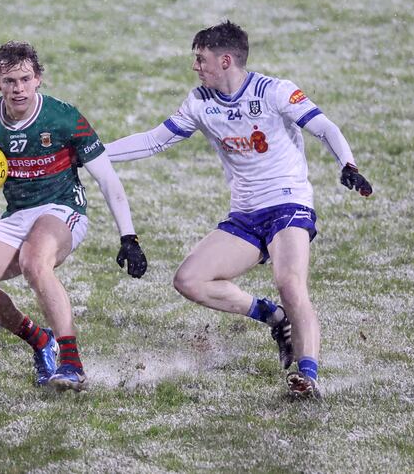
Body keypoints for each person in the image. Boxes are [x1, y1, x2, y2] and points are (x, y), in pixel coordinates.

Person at [104, 21, 372, 399]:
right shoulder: (200, 102)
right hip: (245, 214)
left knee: (290, 282)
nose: (196, 66)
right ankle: (273, 317)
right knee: (189, 281)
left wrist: (348, 164)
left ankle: (307, 376)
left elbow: (324, 127)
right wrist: (93, 154)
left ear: (225, 59)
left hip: (288, 202)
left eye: (201, 59)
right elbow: (153, 142)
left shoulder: (274, 91)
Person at [0, 40, 147, 392]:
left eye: (25, 79)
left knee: (34, 260)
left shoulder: (63, 118)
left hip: (62, 208)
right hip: (18, 214)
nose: (18, 88)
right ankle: (42, 342)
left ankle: (71, 362)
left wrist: (128, 237)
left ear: (39, 78)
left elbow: (107, 178)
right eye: (10, 81)